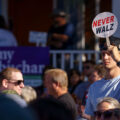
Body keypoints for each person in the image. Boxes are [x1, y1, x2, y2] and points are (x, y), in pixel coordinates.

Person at [84, 44, 120, 120]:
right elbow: (92, 116)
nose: (105, 57)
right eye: (103, 54)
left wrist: (118, 60)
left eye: (110, 53)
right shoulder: (94, 86)